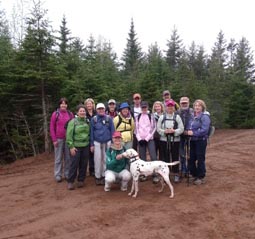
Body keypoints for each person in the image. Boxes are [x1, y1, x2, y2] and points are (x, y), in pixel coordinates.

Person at [157, 99, 184, 183]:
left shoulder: (177, 117)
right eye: (168, 106)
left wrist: (174, 131)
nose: (170, 107)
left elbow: (181, 128)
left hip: (175, 140)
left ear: (174, 107)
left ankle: (176, 173)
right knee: (165, 157)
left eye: (171, 106)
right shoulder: (162, 117)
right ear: (166, 107)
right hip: (164, 140)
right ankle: (166, 174)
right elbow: (158, 129)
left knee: (175, 157)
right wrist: (164, 132)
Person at [66, 104, 90, 190]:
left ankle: (81, 180)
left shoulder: (87, 121)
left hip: (86, 145)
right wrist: (71, 146)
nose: (82, 112)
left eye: (84, 111)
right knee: (74, 164)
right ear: (77, 112)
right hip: (76, 146)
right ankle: (70, 181)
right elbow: (69, 135)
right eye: (81, 111)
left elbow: (89, 133)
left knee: (83, 164)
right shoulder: (73, 122)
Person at [90, 103, 115, 185]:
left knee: (105, 159)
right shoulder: (94, 119)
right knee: (97, 160)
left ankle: (105, 175)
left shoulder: (109, 118)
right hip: (97, 142)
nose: (101, 110)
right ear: (96, 110)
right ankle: (98, 176)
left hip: (107, 142)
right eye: (99, 109)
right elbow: (91, 133)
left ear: (105, 109)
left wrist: (113, 142)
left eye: (102, 109)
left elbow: (112, 131)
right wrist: (91, 144)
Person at [50, 97, 74, 183]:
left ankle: (67, 174)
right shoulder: (55, 114)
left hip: (68, 139)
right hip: (58, 139)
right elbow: (52, 127)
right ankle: (58, 175)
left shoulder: (70, 114)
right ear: (59, 105)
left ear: (67, 105)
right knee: (58, 158)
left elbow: (73, 127)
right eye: (62, 103)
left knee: (68, 158)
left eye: (65, 103)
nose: (63, 105)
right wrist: (54, 139)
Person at [187, 99, 210, 185]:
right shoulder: (192, 116)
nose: (197, 107)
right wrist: (188, 131)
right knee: (192, 158)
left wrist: (194, 132)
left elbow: (205, 130)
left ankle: (201, 176)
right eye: (196, 105)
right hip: (192, 140)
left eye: (199, 106)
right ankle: (194, 174)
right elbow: (190, 126)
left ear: (202, 107)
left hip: (201, 140)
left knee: (200, 158)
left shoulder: (205, 116)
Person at [135, 101, 158, 183]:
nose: (144, 109)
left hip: (149, 139)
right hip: (141, 140)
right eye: (142, 107)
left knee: (153, 156)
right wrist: (139, 139)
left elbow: (153, 128)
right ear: (140, 108)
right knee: (142, 157)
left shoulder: (151, 116)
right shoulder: (137, 117)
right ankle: (143, 174)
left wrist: (147, 138)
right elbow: (136, 129)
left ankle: (155, 174)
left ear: (148, 107)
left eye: (145, 107)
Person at [177, 97, 194, 177]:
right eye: (182, 103)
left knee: (190, 153)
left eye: (185, 103)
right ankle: (183, 169)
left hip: (190, 136)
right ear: (180, 103)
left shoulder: (192, 112)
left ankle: (190, 170)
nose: (184, 104)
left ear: (188, 103)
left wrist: (189, 130)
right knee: (182, 154)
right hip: (180, 136)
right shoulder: (177, 112)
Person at [84, 98, 97, 176]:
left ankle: (96, 168)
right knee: (89, 154)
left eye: (90, 103)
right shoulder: (84, 114)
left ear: (93, 105)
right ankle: (91, 169)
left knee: (96, 153)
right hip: (87, 135)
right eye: (88, 104)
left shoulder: (96, 113)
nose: (89, 105)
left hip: (96, 135)